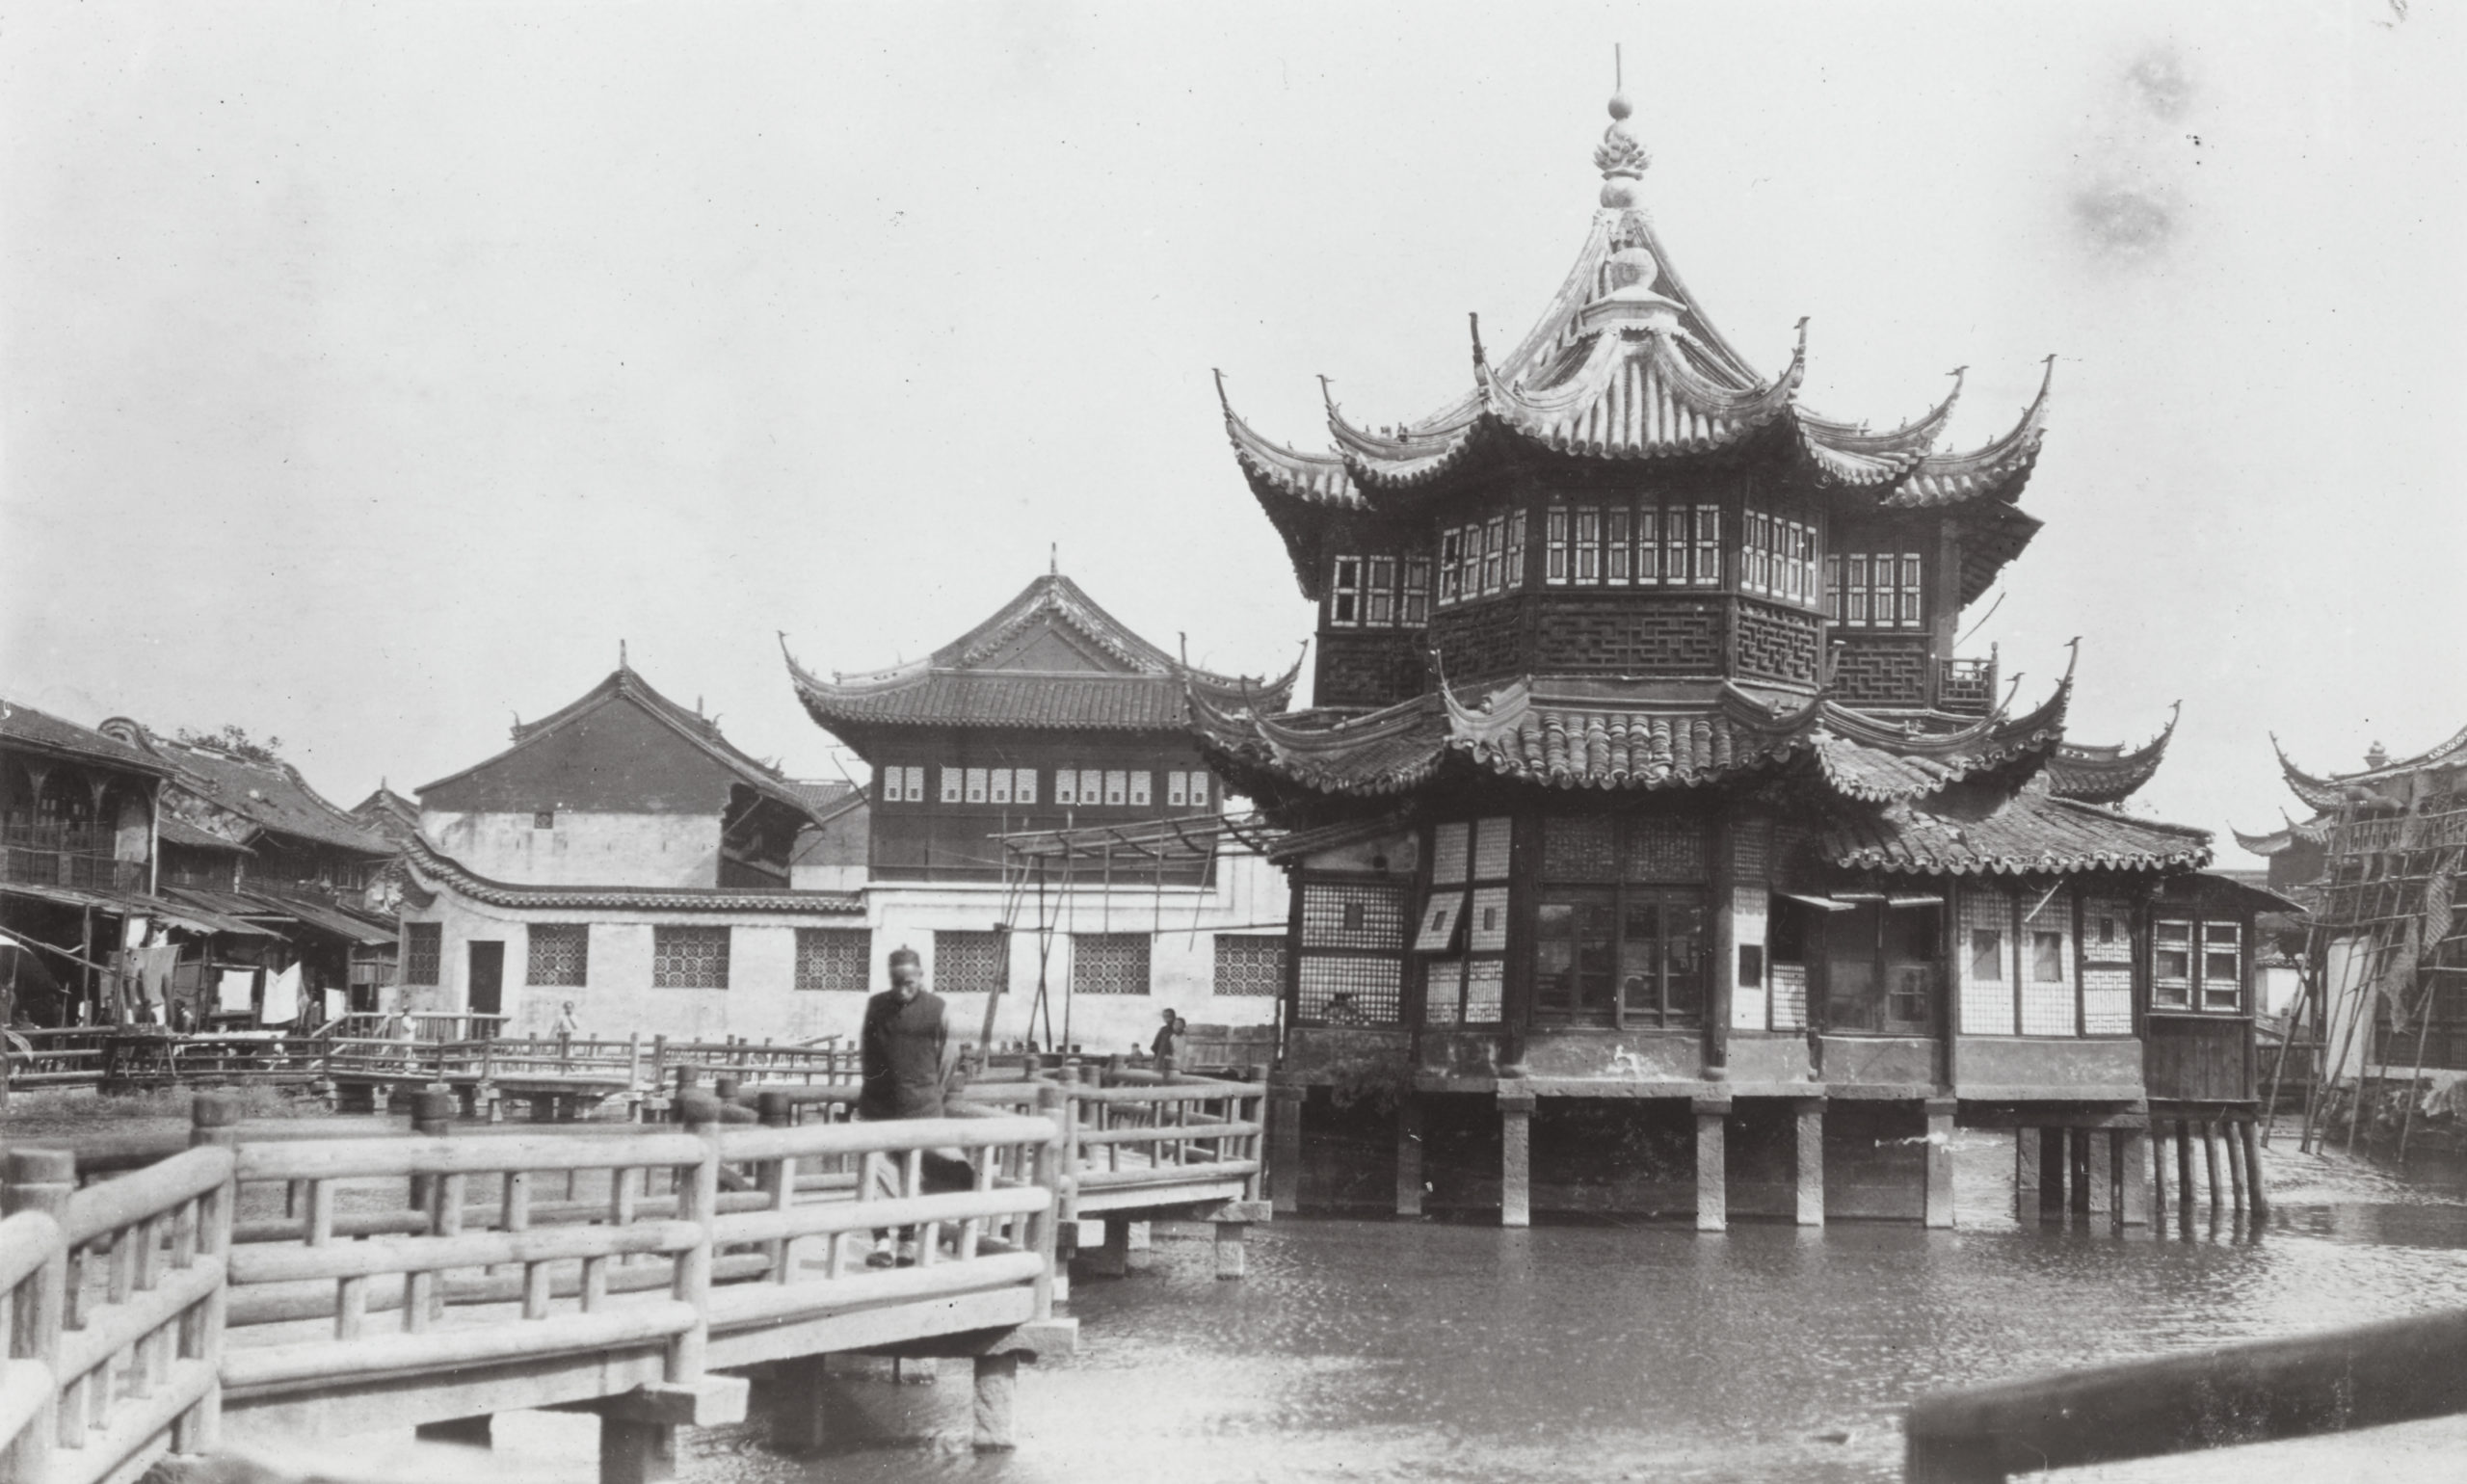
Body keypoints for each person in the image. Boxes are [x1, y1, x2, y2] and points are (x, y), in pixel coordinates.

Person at [858, 946, 968, 1266]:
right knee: (875, 1174)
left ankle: (906, 1242)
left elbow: (948, 1060)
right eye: (896, 981)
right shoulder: (876, 1006)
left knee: (913, 1176)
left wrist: (929, 1092)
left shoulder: (938, 1009)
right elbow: (869, 1055)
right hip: (879, 1107)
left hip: (921, 1108)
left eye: (909, 981)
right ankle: (880, 1243)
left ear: (920, 977)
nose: (902, 988)